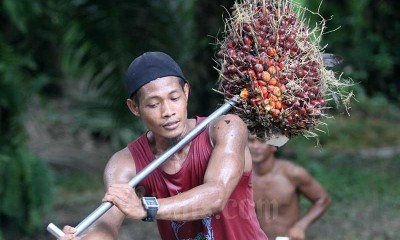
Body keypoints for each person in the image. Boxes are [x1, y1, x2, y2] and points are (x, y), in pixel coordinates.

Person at [60, 52, 268, 240]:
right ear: (135, 108)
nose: (168, 111)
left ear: (186, 91)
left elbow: (216, 195)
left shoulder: (227, 128)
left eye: (174, 98)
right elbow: (106, 224)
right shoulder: (125, 163)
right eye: (153, 104)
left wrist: (146, 207)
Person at [248, 135, 331, 240]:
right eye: (251, 141)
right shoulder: (240, 178)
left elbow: (323, 199)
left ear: (274, 146)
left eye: (261, 141)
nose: (255, 146)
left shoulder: (292, 174)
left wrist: (301, 226)